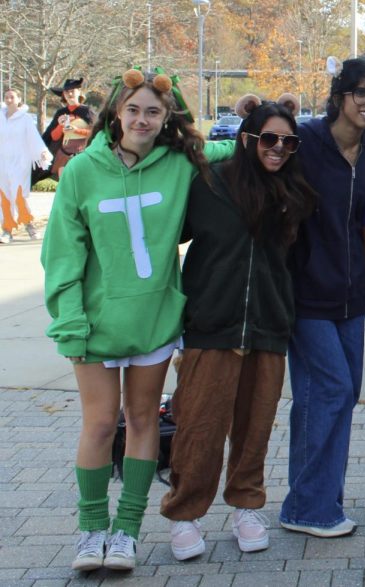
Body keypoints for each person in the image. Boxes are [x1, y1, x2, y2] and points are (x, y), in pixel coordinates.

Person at [42, 67, 233, 572]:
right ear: (116, 113)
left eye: (154, 110)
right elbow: (61, 253)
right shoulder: (83, 171)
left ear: (166, 116)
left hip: (153, 318)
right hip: (97, 322)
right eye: (133, 109)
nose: (143, 119)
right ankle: (90, 531)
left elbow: (234, 150)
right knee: (102, 423)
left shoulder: (179, 162)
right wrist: (69, 320)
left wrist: (173, 93)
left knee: (145, 420)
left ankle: (126, 530)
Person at [160, 94, 317, 560]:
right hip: (212, 324)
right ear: (246, 140)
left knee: (255, 426)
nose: (278, 149)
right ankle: (185, 513)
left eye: (289, 142)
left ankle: (247, 504)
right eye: (269, 138)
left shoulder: (294, 194)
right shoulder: (209, 186)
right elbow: (168, 230)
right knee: (200, 426)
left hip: (269, 326)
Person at [281, 57, 365, 538]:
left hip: (351, 294)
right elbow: (251, 154)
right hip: (304, 292)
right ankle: (307, 506)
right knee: (325, 391)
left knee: (341, 394)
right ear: (340, 96)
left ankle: (323, 497)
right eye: (362, 93)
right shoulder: (305, 141)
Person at [0, 89, 51, 243]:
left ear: (18, 99)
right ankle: (7, 230)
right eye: (6, 97)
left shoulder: (25, 118)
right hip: (2, 163)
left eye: (12, 97)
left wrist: (42, 152)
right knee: (4, 196)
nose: (9, 99)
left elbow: (33, 137)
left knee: (18, 195)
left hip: (20, 162)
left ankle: (29, 225)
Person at [40, 77, 95, 182]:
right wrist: (60, 126)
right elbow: (52, 137)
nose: (69, 94)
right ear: (63, 95)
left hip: (82, 154)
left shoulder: (87, 111)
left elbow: (96, 133)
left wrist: (76, 130)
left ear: (79, 92)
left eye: (72, 91)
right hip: (64, 154)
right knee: (64, 185)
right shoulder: (61, 112)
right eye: (66, 92)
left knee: (80, 185)